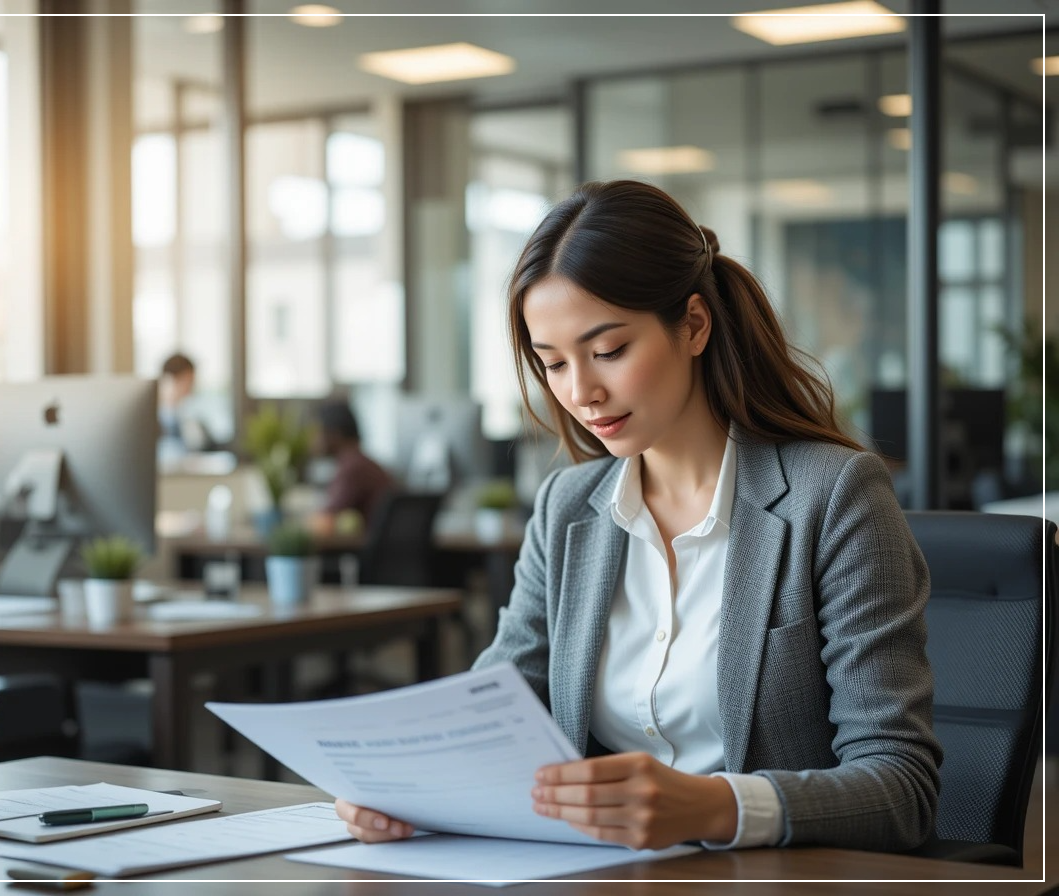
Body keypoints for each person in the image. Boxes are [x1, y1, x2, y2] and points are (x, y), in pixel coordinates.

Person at [335, 180, 941, 853]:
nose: (581, 393)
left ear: (694, 325)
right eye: (554, 364)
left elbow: (901, 785)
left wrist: (717, 808)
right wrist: (406, 786)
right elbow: (494, 708)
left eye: (609, 351)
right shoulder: (568, 508)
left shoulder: (833, 496)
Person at [310, 399, 397, 532]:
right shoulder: (364, 463)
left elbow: (327, 518)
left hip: (369, 549)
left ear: (334, 434)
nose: (313, 439)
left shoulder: (352, 468)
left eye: (317, 432)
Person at [157, 352, 214, 457]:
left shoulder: (187, 417)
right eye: (189, 381)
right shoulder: (154, 420)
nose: (192, 387)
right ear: (171, 380)